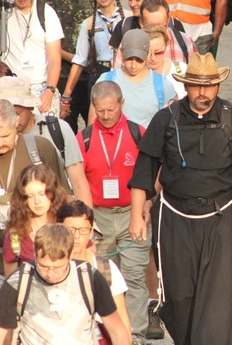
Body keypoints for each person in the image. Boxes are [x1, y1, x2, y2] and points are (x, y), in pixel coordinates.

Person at [129, 53, 232, 344]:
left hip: (222, 221)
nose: (202, 92)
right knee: (180, 301)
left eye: (209, 85)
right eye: (195, 85)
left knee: (217, 304)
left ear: (218, 86)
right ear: (185, 86)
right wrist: (137, 215)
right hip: (175, 223)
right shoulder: (166, 120)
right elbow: (144, 172)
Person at [0, 98, 69, 327]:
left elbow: (64, 202)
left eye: (5, 135)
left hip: (43, 262)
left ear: (16, 123)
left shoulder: (40, 149)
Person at [78, 80, 152, 343]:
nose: (106, 116)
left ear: (122, 104)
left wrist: (146, 205)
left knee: (133, 276)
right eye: (100, 110)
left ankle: (136, 335)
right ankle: (110, 335)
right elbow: (77, 180)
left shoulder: (138, 133)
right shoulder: (84, 138)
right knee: (105, 278)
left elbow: (154, 173)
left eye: (111, 109)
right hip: (99, 220)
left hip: (132, 216)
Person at [0, 223, 129, 345]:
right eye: (44, 266)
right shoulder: (17, 282)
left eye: (58, 267)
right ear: (34, 254)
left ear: (70, 256)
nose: (50, 274)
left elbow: (117, 331)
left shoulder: (90, 278)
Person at [0, 76, 92, 207]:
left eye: (17, 113)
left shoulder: (58, 129)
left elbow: (79, 183)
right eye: (6, 114)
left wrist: (86, 221)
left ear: (29, 107)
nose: (12, 120)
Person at [58, 200, 132, 340]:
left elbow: (121, 319)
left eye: (83, 230)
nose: (77, 236)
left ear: (91, 232)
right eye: (71, 229)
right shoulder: (48, 268)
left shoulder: (106, 268)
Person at [61, 0, 127, 120]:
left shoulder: (128, 18)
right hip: (100, 74)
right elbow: (79, 60)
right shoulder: (89, 24)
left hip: (125, 71)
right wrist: (66, 96)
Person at [42, 0, 97, 133]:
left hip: (91, 74)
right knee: (66, 129)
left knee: (95, 127)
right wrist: (70, 57)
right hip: (64, 76)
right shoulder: (47, 4)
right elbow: (46, 41)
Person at [93, 29, 176, 127]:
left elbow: (171, 125)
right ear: (122, 54)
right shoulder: (106, 80)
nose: (133, 65)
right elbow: (93, 126)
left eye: (139, 60)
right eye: (129, 59)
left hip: (149, 141)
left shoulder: (163, 85)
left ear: (147, 54)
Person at [2, 164, 68, 275]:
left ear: (53, 192)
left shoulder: (69, 224)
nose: (37, 201)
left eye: (42, 194)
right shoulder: (15, 236)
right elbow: (11, 282)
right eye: (30, 196)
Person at [111, 0, 196, 68]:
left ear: (168, 20)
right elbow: (117, 76)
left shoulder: (185, 41)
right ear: (142, 22)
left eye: (160, 26)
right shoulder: (129, 42)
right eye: (150, 26)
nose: (156, 31)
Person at [146, 26, 186, 99]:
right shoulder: (136, 75)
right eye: (147, 53)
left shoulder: (182, 69)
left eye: (158, 52)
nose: (153, 58)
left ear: (166, 45)